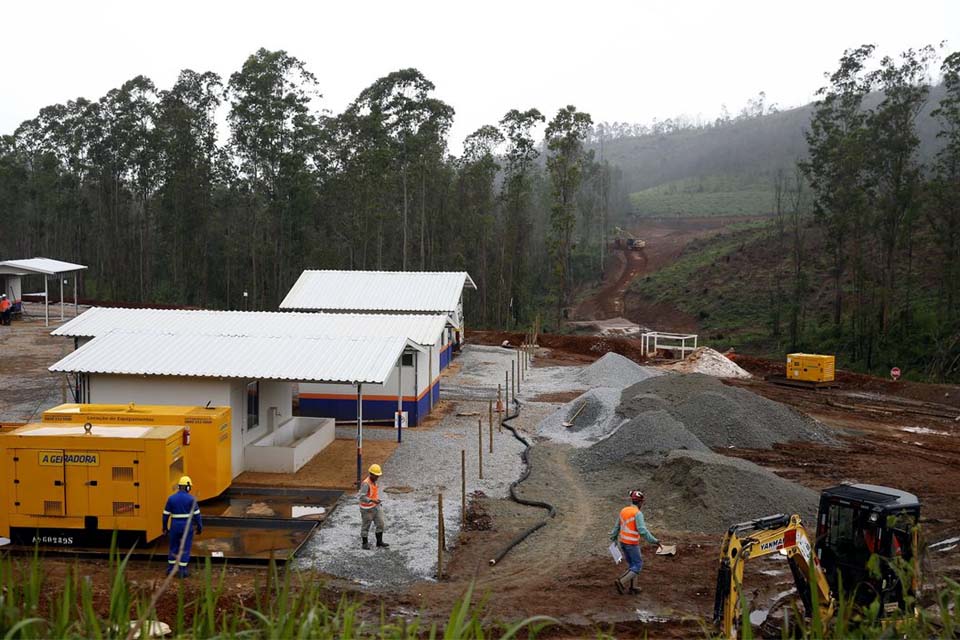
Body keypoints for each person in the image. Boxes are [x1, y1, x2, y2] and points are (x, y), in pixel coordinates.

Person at [610, 489, 662, 595]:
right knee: (638, 565)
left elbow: (617, 526)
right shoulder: (637, 513)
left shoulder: (624, 510)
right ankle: (621, 581)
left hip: (623, 542)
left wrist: (613, 537)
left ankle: (633, 587)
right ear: (640, 502)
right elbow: (642, 530)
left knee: (632, 564)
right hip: (632, 544)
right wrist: (654, 540)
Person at [162, 475, 202, 578]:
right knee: (185, 548)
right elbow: (197, 515)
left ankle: (171, 569)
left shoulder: (171, 499)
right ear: (188, 487)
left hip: (174, 526)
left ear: (179, 486)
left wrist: (165, 527)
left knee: (173, 547)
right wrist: (199, 527)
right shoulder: (191, 499)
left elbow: (165, 515)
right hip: (187, 527)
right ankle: (182, 570)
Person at [358, 463, 389, 550]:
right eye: (376, 475)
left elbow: (373, 494)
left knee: (381, 523)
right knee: (366, 526)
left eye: (378, 475)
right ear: (371, 474)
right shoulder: (366, 484)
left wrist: (376, 501)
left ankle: (379, 542)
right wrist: (372, 500)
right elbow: (361, 496)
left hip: (375, 507)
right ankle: (365, 543)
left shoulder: (374, 481)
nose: (378, 477)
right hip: (366, 509)